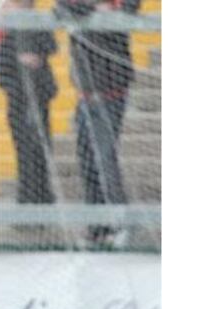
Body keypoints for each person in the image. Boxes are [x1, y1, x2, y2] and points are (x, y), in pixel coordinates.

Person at [57, 0, 141, 244]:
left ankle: (120, 221)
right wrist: (95, 8)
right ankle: (97, 225)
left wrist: (100, 10)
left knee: (105, 157)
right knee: (86, 158)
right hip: (85, 92)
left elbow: (130, 8)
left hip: (112, 91)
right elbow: (61, 8)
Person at [0, 0, 57, 204]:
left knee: (41, 147)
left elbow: (51, 45)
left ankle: (44, 198)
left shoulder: (38, 20)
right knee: (24, 149)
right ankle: (27, 200)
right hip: (16, 96)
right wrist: (16, 55)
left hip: (40, 94)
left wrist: (35, 55)